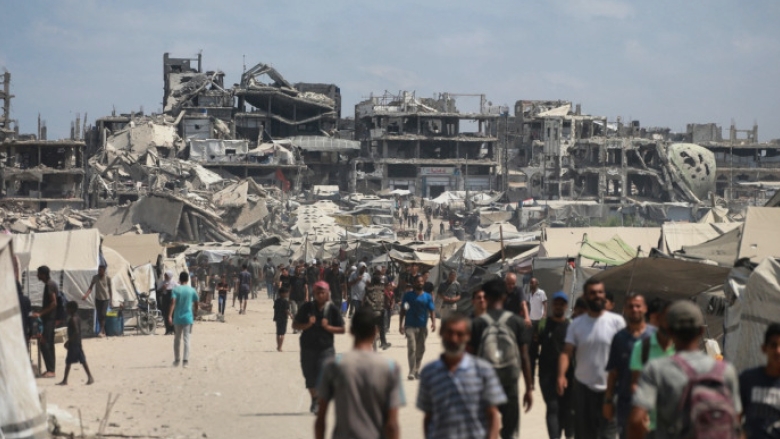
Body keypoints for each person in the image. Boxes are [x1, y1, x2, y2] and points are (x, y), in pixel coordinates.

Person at [629, 301, 742, 439]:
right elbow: (736, 421)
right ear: (701, 331)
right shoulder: (725, 370)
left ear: (669, 331)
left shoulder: (656, 369)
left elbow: (636, 420)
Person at [315, 308, 404, 439]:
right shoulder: (390, 368)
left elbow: (321, 419)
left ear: (351, 331)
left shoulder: (333, 365)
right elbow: (392, 425)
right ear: (375, 331)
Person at [417, 313, 507, 439]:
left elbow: (493, 415)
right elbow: (428, 417)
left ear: (468, 336)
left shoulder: (484, 371)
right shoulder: (429, 373)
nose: (454, 339)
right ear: (441, 333)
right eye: (449, 333)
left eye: (459, 334)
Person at [557, 278, 625, 439]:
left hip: (610, 389)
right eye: (593, 293)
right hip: (583, 389)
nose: (597, 296)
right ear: (586, 296)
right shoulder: (576, 324)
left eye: (600, 292)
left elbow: (624, 354)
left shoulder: (617, 322)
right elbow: (567, 352)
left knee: (608, 434)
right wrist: (561, 375)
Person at [469, 278, 534, 439]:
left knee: (486, 429)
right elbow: (524, 357)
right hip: (509, 381)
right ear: (504, 296)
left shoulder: (477, 324)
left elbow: (469, 359)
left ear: (486, 297)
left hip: (485, 384)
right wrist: (528, 388)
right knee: (510, 432)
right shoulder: (516, 322)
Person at [604, 293, 653, 438]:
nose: (634, 309)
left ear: (645, 308)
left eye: (638, 306)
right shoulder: (619, 338)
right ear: (625, 309)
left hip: (651, 404)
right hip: (625, 402)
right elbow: (613, 372)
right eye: (630, 306)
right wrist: (608, 400)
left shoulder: (656, 337)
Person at [292, 281, 345, 413]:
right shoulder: (307, 308)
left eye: (323, 292)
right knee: (309, 376)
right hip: (307, 347)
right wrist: (307, 325)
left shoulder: (332, 309)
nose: (320, 295)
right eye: (318, 293)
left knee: (323, 374)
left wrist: (328, 327)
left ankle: (320, 400)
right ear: (314, 293)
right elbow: (295, 325)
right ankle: (315, 399)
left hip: (326, 348)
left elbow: (342, 329)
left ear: (327, 294)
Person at [629, 299, 675, 438]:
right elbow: (636, 383)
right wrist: (641, 413)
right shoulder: (642, 347)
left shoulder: (685, 349)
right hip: (650, 423)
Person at [536, 291, 574, 439]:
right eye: (556, 303)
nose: (558, 306)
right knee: (553, 407)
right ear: (552, 305)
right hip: (546, 374)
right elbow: (533, 347)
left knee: (565, 409)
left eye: (561, 304)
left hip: (568, 375)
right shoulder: (543, 324)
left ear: (566, 306)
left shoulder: (571, 327)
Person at [739, 323, 780, 439]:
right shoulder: (748, 379)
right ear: (764, 348)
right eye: (773, 345)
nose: (778, 351)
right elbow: (735, 418)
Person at [399, 274, 436, 380]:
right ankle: (411, 371)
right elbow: (403, 310)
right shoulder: (408, 296)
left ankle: (416, 370)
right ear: (414, 283)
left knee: (420, 349)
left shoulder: (427, 296)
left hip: (422, 327)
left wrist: (433, 322)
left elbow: (432, 310)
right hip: (410, 326)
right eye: (418, 281)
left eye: (421, 281)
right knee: (412, 348)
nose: (420, 283)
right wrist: (401, 325)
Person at [57, 302, 94, 385]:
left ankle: (65, 380)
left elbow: (76, 332)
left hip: (74, 344)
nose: (66, 310)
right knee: (78, 360)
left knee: (72, 361)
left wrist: (68, 341)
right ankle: (89, 377)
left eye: (67, 308)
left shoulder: (73, 319)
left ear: (72, 309)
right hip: (77, 343)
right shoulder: (77, 318)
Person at [31, 265, 58, 378]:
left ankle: (51, 370)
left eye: (39, 273)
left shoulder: (49, 285)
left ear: (43, 274)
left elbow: (54, 303)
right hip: (50, 319)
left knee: (44, 343)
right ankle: (50, 369)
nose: (37, 275)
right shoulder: (50, 284)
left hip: (49, 319)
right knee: (49, 344)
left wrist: (40, 313)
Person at [168, 271, 199, 368]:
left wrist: (170, 315)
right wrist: (195, 312)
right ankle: (185, 361)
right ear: (188, 279)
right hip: (188, 318)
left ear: (180, 279)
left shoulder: (175, 290)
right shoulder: (192, 290)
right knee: (187, 339)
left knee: (177, 339)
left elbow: (173, 302)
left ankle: (177, 360)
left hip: (177, 318)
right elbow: (196, 302)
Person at [82, 264, 113, 337]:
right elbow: (91, 287)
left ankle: (101, 330)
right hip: (98, 298)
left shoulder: (108, 278)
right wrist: (86, 295)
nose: (99, 271)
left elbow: (110, 290)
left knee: (103, 314)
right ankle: (103, 330)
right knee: (99, 315)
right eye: (99, 270)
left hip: (105, 299)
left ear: (104, 271)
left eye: (101, 270)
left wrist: (111, 300)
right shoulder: (95, 277)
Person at [363, 272, 391, 350]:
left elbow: (364, 299)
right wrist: (387, 304)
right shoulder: (382, 288)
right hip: (380, 311)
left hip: (370, 311)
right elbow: (387, 298)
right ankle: (383, 342)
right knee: (382, 326)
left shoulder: (368, 288)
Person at [527, 277, 547, 378]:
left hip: (539, 320)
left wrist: (544, 314)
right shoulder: (529, 294)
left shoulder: (541, 293)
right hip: (531, 319)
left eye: (533, 283)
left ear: (537, 284)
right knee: (532, 340)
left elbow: (545, 303)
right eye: (531, 283)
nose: (532, 284)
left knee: (540, 338)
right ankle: (533, 358)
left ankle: (541, 359)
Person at [273, 286, 293, 352]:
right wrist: (290, 315)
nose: (287, 294)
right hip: (284, 318)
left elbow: (275, 309)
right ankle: (280, 347)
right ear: (282, 293)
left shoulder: (276, 301)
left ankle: (278, 346)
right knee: (282, 333)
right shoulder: (285, 302)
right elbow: (286, 310)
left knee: (278, 333)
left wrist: (274, 317)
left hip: (277, 318)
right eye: (286, 293)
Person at [289, 266, 309, 331]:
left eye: (299, 270)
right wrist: (289, 297)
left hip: (301, 297)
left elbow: (306, 288)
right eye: (297, 270)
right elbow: (291, 288)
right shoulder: (292, 278)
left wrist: (307, 296)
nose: (298, 271)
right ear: (295, 270)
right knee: (294, 312)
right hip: (293, 297)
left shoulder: (303, 278)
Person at [159, 270, 177, 335]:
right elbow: (158, 289)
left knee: (173, 314)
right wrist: (162, 288)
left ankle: (174, 329)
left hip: (172, 299)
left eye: (166, 275)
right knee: (166, 314)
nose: (165, 276)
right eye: (165, 275)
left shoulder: (174, 283)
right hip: (165, 299)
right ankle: (168, 330)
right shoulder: (163, 282)